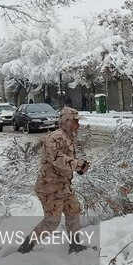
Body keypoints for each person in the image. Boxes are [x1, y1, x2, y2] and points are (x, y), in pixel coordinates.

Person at [18, 107, 90, 254]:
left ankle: (75, 246)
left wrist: (80, 167)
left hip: (63, 186)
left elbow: (66, 162)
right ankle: (26, 248)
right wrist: (77, 164)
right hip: (49, 187)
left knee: (73, 211)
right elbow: (57, 158)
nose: (79, 125)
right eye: (76, 121)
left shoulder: (69, 137)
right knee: (52, 221)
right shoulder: (55, 137)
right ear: (68, 121)